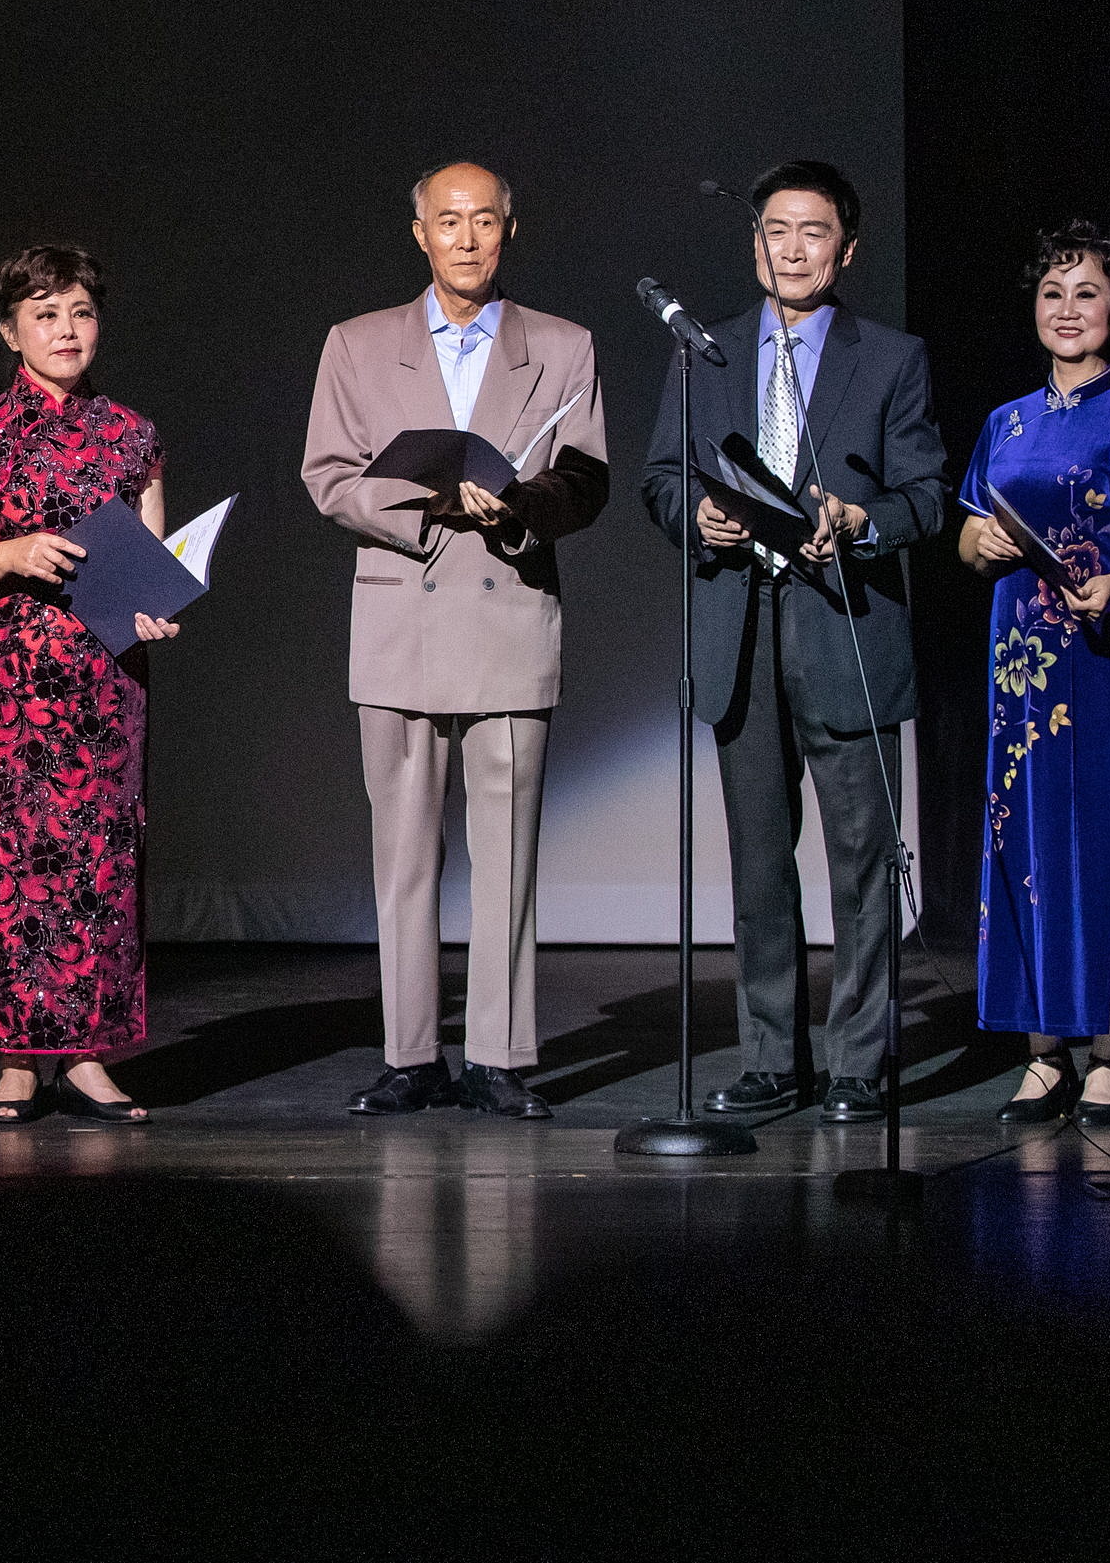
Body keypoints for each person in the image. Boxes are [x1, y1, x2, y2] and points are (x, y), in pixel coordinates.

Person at [640, 160, 948, 1122]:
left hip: (843, 625)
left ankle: (857, 1061)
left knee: (861, 860)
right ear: (754, 243)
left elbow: (925, 496)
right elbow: (661, 478)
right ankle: (772, 1056)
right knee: (759, 863)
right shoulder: (706, 352)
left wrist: (859, 521)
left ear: (845, 250)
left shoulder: (890, 357)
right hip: (739, 628)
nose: (792, 248)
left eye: (813, 232)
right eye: (776, 229)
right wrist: (699, 518)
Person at [302, 161, 610, 1119]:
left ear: (509, 230)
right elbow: (327, 474)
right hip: (401, 614)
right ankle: (409, 1054)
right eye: (448, 220)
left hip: (507, 611)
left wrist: (517, 508)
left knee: (507, 852)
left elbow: (584, 477)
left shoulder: (561, 344)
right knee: (401, 856)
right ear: (419, 234)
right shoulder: (357, 343)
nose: (466, 238)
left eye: (483, 220)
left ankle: (497, 1055)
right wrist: (426, 508)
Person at [0, 244, 181, 1124]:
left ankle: (90, 1054)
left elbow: (150, 568)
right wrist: (13, 552)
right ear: (10, 331)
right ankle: (17, 1059)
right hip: (5, 685)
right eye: (44, 314)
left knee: (100, 863)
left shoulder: (132, 434)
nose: (65, 330)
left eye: (80, 312)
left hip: (104, 680)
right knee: (9, 865)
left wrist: (156, 612)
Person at [958, 222, 1110, 1124]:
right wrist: (977, 545)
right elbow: (969, 537)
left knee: (1097, 846)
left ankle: (1106, 1053)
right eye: (1051, 293)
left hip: (1099, 656)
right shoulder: (1004, 421)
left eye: (1085, 293)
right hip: (1017, 662)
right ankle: (1041, 1053)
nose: (1066, 309)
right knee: (1022, 843)